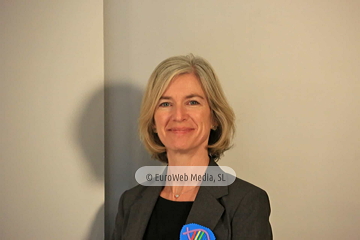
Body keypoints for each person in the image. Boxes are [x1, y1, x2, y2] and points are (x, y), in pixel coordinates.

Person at [112, 54, 272, 240]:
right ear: (154, 122)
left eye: (192, 102)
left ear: (214, 117)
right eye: (165, 103)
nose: (178, 115)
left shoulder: (246, 202)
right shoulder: (130, 202)